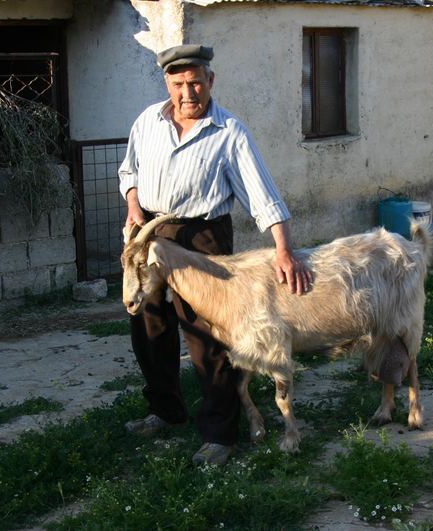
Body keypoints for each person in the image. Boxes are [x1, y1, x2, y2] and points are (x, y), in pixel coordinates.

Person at [117, 44, 311, 466]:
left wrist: (283, 250)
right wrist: (134, 209)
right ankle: (166, 412)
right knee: (148, 329)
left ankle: (220, 434)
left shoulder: (230, 132)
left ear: (210, 82)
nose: (188, 93)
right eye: (178, 84)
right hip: (150, 234)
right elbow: (128, 170)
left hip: (202, 238)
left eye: (196, 83)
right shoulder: (148, 121)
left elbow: (262, 196)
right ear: (167, 83)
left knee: (209, 338)